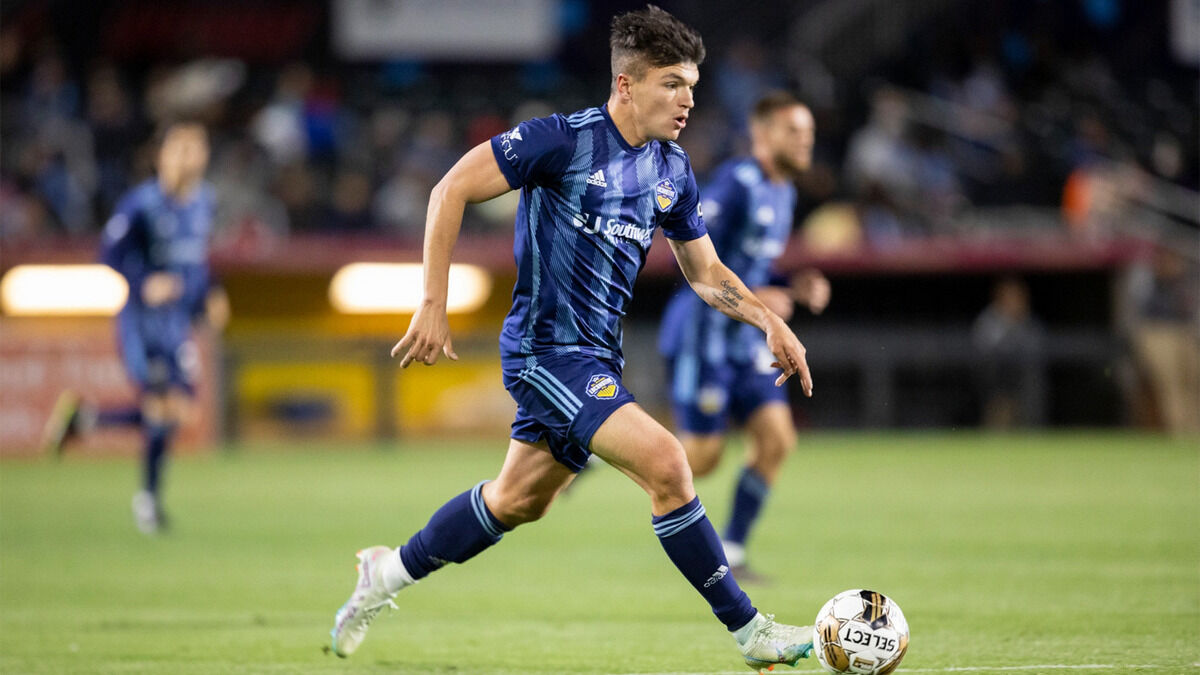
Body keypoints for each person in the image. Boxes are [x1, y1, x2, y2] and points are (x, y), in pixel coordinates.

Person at [329, 6, 817, 670]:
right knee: (669, 464)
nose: (687, 100)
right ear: (626, 85)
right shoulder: (560, 141)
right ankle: (750, 630)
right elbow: (449, 189)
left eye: (692, 86)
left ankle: (384, 574)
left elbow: (705, 273)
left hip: (597, 357)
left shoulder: (672, 170)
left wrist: (770, 321)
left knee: (516, 501)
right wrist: (433, 303)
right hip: (545, 353)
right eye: (672, 83)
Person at [658, 91, 829, 581]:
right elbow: (697, 260)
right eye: (794, 131)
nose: (805, 141)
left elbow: (753, 263)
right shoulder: (737, 183)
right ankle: (605, 450)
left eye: (809, 132)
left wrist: (788, 285)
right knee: (702, 459)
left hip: (746, 341)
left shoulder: (784, 191)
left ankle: (731, 550)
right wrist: (761, 295)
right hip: (703, 338)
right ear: (762, 134)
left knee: (777, 439)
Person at [42, 121, 227, 534]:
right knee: (161, 408)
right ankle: (148, 503)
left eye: (196, 148)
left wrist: (212, 293)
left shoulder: (204, 201)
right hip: (142, 324)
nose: (190, 157)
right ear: (161, 156)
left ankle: (86, 421)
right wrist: (144, 282)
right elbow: (108, 254)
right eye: (180, 148)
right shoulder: (141, 204)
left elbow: (196, 259)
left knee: (180, 410)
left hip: (176, 323)